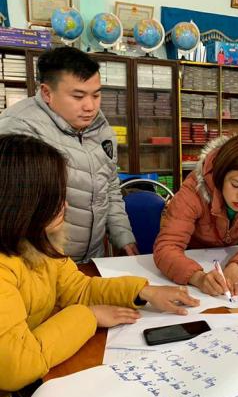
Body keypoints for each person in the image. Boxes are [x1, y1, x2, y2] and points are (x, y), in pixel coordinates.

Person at [0, 134, 199, 397]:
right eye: (55, 197)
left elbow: (78, 288)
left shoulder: (38, 242)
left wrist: (143, 291)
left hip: (35, 386)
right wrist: (89, 316)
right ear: (20, 203)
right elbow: (16, 366)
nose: (65, 206)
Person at [0, 47, 137, 263]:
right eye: (78, 96)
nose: (90, 106)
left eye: (96, 95)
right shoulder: (19, 131)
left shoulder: (100, 127)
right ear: (47, 93)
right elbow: (14, 210)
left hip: (92, 259)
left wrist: (123, 237)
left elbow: (109, 186)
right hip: (40, 263)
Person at [154, 135, 238, 297]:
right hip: (190, 261)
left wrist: (235, 268)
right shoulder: (194, 190)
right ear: (220, 176)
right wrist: (198, 277)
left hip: (228, 262)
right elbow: (166, 247)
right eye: (236, 185)